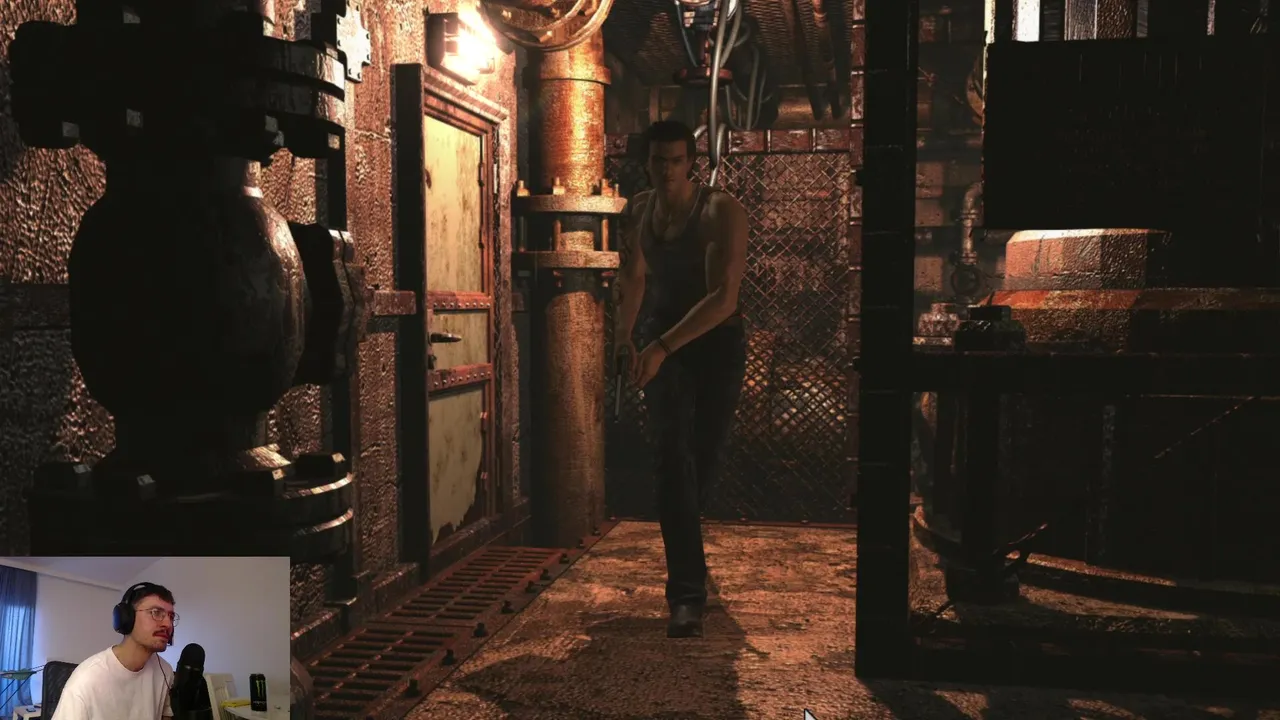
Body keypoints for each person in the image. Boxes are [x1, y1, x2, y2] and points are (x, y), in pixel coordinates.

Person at [615, 119, 750, 638]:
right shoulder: (639, 210)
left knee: (703, 460)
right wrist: (623, 337)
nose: (667, 171)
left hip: (715, 341)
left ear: (691, 163)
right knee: (672, 459)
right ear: (647, 163)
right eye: (658, 161)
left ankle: (689, 557)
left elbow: (724, 298)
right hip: (661, 340)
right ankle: (687, 596)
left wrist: (660, 347)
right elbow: (633, 277)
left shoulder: (720, 210)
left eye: (676, 161)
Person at [52, 582, 176, 720]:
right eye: (156, 613)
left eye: (171, 616)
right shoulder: (86, 681)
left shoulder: (165, 671)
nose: (168, 624)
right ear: (127, 618)